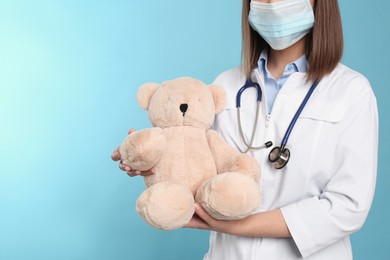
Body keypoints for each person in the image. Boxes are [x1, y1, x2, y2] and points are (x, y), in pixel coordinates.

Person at [112, 0, 378, 258]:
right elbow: (198, 169)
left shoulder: (351, 91)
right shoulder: (226, 86)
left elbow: (347, 207)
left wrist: (236, 226)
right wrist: (153, 158)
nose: (273, 2)